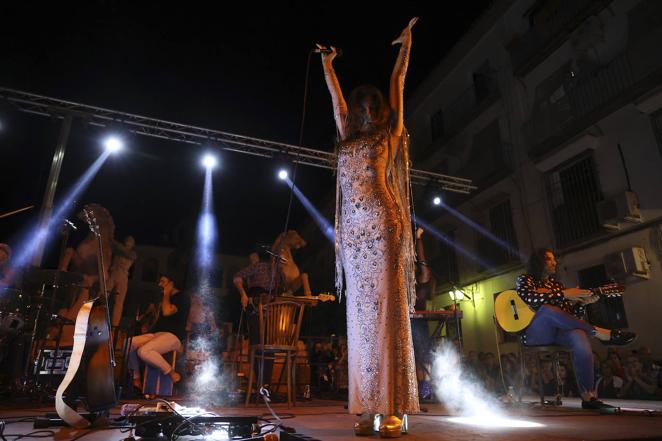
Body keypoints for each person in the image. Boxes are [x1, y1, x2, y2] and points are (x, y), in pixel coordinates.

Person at [319, 17, 419, 437]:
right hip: (354, 236)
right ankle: (367, 406)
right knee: (359, 320)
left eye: (368, 105)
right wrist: (328, 65)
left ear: (377, 111)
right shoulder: (345, 136)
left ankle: (394, 407)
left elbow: (397, 84)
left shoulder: (388, 135)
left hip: (383, 224)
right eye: (357, 106)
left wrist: (404, 49)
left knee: (386, 316)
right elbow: (335, 99)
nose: (361, 110)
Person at [516, 248, 636, 409]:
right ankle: (600, 333)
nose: (554, 262)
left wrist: (582, 303)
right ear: (539, 262)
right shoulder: (525, 279)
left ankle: (589, 396)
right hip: (533, 334)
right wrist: (563, 294)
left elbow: (570, 316)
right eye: (549, 259)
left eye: (554, 259)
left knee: (579, 333)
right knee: (546, 310)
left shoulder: (556, 285)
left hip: (556, 333)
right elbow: (530, 297)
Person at [232, 247, 283, 393]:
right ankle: (264, 384)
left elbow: (236, 277)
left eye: (253, 258)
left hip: (268, 308)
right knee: (261, 346)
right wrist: (243, 294)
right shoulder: (266, 269)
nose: (252, 261)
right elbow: (237, 278)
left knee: (263, 346)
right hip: (262, 308)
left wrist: (243, 294)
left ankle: (263, 384)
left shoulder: (263, 267)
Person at [128, 273, 190, 390]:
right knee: (129, 344)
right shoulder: (162, 298)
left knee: (143, 351)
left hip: (173, 336)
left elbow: (167, 312)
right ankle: (136, 379)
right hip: (158, 334)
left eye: (163, 281)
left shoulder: (182, 296)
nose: (159, 284)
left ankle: (173, 374)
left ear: (171, 284)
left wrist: (166, 294)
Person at [108, 235, 137, 326]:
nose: (128, 242)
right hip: (113, 274)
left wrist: (113, 241)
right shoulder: (118, 250)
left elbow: (127, 253)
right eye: (127, 240)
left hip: (123, 276)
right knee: (104, 296)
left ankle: (115, 324)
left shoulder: (132, 253)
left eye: (130, 241)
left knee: (119, 302)